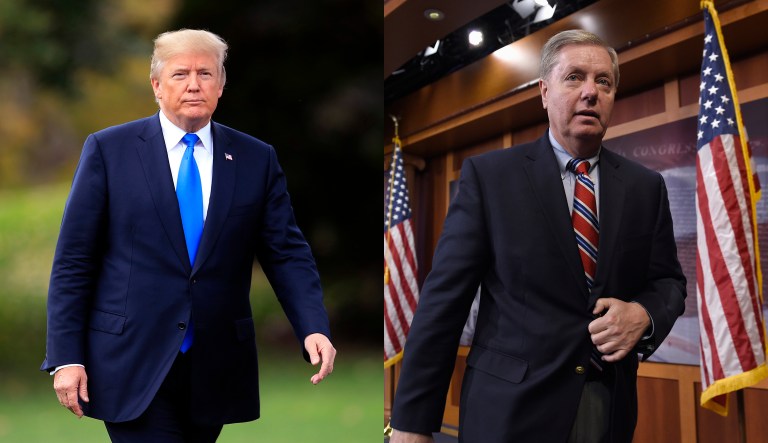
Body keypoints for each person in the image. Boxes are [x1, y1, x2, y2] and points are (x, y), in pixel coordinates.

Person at [389, 29, 686, 443]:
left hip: (606, 406)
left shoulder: (645, 187)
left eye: (604, 81)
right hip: (508, 413)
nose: (590, 92)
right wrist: (411, 423)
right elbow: (443, 303)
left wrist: (645, 315)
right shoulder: (490, 178)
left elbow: (668, 282)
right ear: (544, 92)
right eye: (574, 77)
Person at [41, 28, 336, 442]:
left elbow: (286, 252)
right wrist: (66, 357)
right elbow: (74, 260)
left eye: (206, 73)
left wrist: (312, 326)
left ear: (221, 85)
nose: (194, 84)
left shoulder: (255, 158)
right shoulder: (109, 150)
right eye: (181, 74)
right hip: (130, 361)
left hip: (214, 364)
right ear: (157, 86)